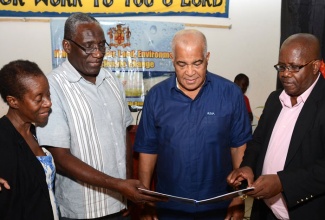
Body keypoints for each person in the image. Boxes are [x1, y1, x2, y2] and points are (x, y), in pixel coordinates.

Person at [36, 13, 164, 220]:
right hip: (82, 212)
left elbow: (123, 137)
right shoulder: (52, 87)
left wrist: (126, 187)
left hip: (120, 204)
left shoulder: (112, 81)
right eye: (88, 46)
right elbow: (59, 158)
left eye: (102, 45)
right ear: (67, 46)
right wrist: (119, 185)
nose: (97, 53)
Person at [133, 29, 252, 220]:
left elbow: (239, 147)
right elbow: (148, 150)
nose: (190, 73)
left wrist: (239, 196)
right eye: (182, 64)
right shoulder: (156, 97)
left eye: (197, 63)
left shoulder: (230, 94)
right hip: (169, 206)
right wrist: (147, 200)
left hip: (219, 206)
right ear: (172, 60)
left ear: (207, 58)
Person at [227, 33, 325, 220]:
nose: (285, 74)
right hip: (265, 212)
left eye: (295, 67)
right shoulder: (274, 99)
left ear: (315, 66)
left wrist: (283, 183)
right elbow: (258, 142)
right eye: (282, 66)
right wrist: (248, 166)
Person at [0, 60, 58, 219]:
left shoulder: (35, 131)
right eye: (39, 99)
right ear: (13, 101)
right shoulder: (3, 138)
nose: (48, 103)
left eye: (48, 95)